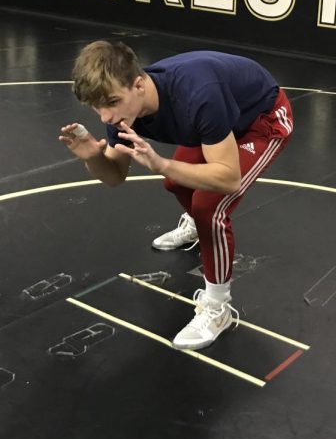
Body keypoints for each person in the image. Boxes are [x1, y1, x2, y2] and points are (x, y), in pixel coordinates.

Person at [59, 41, 294, 350]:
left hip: (261, 121)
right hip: (218, 122)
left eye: (112, 102)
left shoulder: (198, 95)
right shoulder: (119, 114)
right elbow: (115, 176)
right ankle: (196, 227)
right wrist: (92, 157)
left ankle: (218, 308)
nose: (105, 117)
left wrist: (162, 163)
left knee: (209, 206)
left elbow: (229, 179)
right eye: (97, 107)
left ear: (139, 85)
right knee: (177, 184)